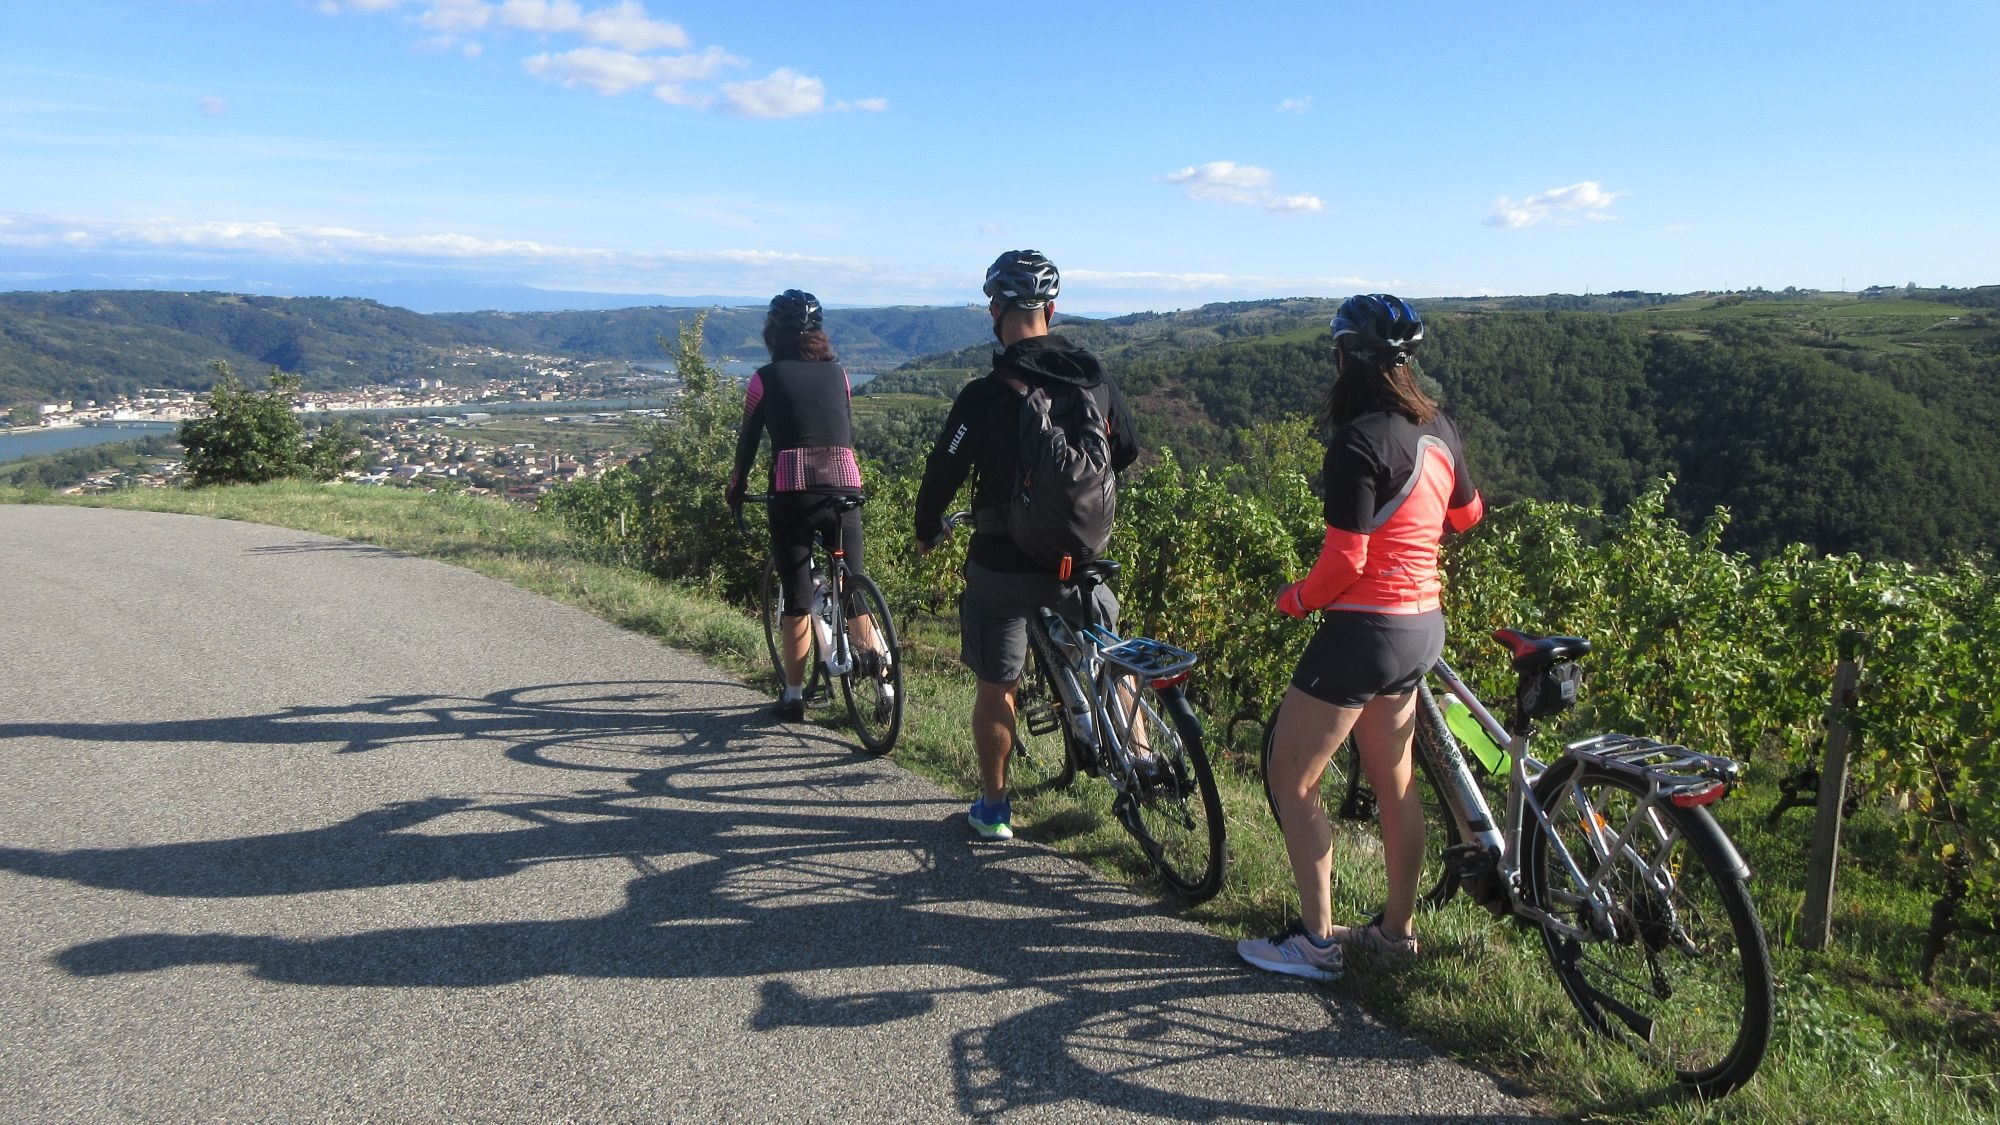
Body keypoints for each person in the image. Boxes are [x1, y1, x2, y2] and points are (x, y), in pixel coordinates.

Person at [1237, 294, 1485, 981]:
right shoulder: (1438, 429)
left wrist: (1295, 598)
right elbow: (1468, 515)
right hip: (1421, 629)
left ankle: (1315, 942)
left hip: (1364, 632)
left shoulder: (1356, 442)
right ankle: (1395, 933)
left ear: (1345, 359)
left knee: (1292, 776)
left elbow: (1346, 561)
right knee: (1396, 783)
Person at [913, 250, 1140, 840]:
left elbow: (942, 470)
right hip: (1081, 557)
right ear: (1052, 310)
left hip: (1004, 564)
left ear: (996, 309)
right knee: (1111, 652)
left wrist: (927, 526)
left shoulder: (984, 395)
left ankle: (993, 807)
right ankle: (1142, 754)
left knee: (998, 686)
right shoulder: (1094, 379)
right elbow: (1128, 453)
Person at [727, 289, 888, 722]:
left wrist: (736, 488)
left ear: (772, 332)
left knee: (797, 596)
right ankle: (885, 681)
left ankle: (794, 695)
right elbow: (843, 429)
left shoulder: (764, 378)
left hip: (793, 491)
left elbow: (747, 442)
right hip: (845, 486)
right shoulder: (840, 375)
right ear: (818, 334)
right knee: (854, 588)